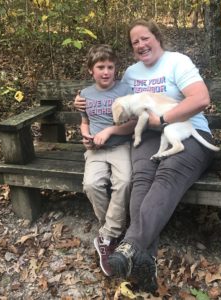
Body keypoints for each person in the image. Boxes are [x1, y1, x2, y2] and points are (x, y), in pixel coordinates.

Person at [74, 20, 216, 294]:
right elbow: (110, 94)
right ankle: (144, 262)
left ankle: (131, 245)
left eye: (145, 38)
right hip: (149, 136)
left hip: (188, 133)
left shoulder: (178, 62)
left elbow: (200, 99)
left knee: (167, 174)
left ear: (157, 37)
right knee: (141, 178)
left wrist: (162, 117)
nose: (140, 45)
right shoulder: (130, 74)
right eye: (135, 42)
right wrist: (80, 101)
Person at [78, 44, 136, 277]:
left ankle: (107, 236)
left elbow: (133, 123)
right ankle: (111, 230)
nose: (105, 72)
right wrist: (85, 135)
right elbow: (84, 121)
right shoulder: (84, 95)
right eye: (100, 67)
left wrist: (111, 131)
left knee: (125, 181)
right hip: (95, 150)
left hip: (120, 145)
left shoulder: (124, 90)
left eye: (110, 67)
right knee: (91, 184)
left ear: (115, 69)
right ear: (91, 70)